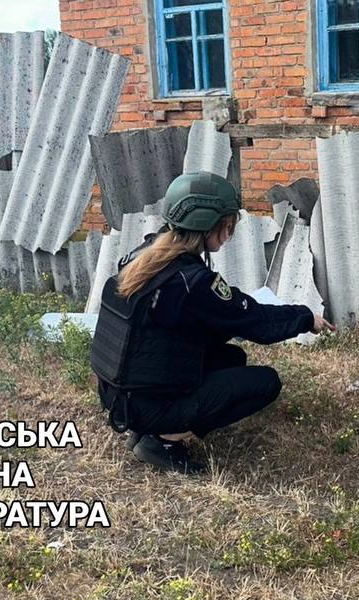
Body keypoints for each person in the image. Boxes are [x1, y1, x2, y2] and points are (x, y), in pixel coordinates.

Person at [91, 172, 334, 474]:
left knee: (231, 358)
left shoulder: (143, 255)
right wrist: (306, 318)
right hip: (143, 403)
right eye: (228, 225)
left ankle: (149, 425)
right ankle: (163, 439)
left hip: (119, 395)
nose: (229, 233)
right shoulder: (191, 283)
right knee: (265, 382)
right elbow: (256, 322)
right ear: (208, 224)